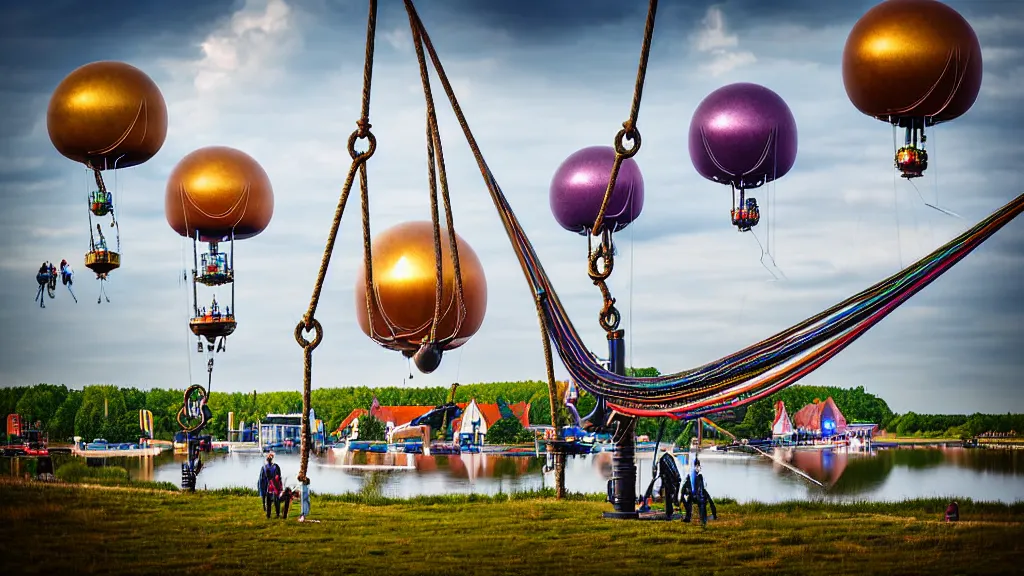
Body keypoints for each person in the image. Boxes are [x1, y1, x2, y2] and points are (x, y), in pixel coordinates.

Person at [258, 452, 282, 518]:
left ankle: (268, 514)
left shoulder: (264, 468)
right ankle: (277, 514)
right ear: (272, 459)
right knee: (276, 500)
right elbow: (279, 477)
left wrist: (262, 491)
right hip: (275, 486)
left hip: (267, 487)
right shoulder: (276, 467)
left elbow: (261, 480)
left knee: (268, 501)